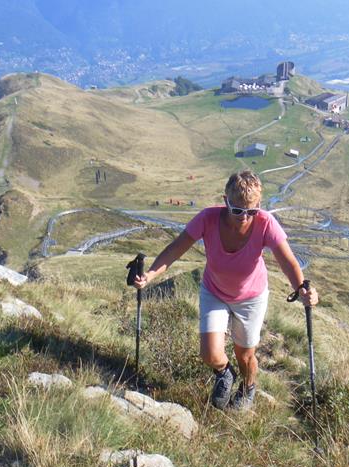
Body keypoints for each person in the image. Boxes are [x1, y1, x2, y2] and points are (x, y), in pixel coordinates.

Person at [133, 170, 318, 410]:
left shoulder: (265, 222)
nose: (244, 216)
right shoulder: (207, 219)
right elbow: (176, 248)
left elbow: (288, 262)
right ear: (225, 201)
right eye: (237, 210)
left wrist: (302, 289)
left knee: (245, 355)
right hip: (215, 292)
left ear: (258, 206)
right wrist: (150, 275)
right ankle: (224, 373)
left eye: (251, 211)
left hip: (251, 297)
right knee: (209, 354)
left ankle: (248, 388)